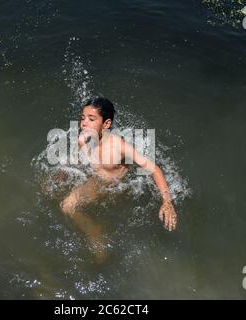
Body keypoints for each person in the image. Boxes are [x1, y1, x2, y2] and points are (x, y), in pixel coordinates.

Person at [60, 97, 178, 262]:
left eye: (91, 119)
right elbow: (83, 162)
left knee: (67, 206)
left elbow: (154, 169)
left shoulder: (119, 147)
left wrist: (167, 200)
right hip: (97, 181)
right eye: (82, 118)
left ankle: (95, 233)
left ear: (106, 124)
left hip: (115, 186)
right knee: (50, 189)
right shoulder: (85, 139)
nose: (84, 123)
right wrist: (64, 172)